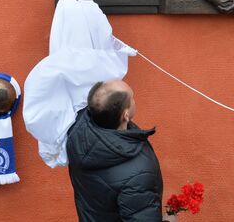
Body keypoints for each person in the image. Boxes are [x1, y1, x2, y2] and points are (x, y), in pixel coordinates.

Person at [66, 80, 172, 222]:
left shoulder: (77, 132)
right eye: (132, 98)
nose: (135, 100)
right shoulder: (139, 173)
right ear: (125, 115)